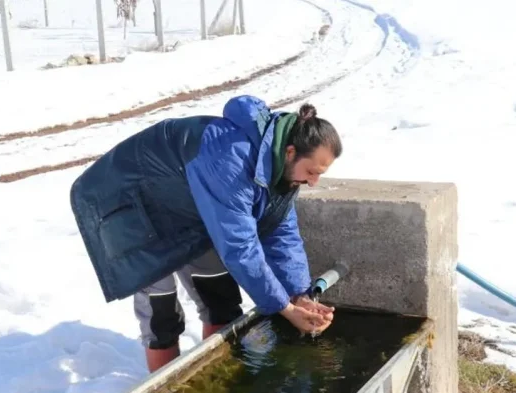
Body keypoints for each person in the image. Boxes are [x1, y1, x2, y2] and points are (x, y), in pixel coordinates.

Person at [69, 94, 343, 372]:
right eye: (311, 171)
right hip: (134, 210)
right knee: (161, 317)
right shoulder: (230, 157)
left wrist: (299, 295)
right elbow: (240, 247)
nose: (313, 181)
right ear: (290, 151)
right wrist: (285, 308)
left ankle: (217, 381)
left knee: (221, 303)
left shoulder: (280, 170)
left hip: (192, 215)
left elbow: (282, 232)